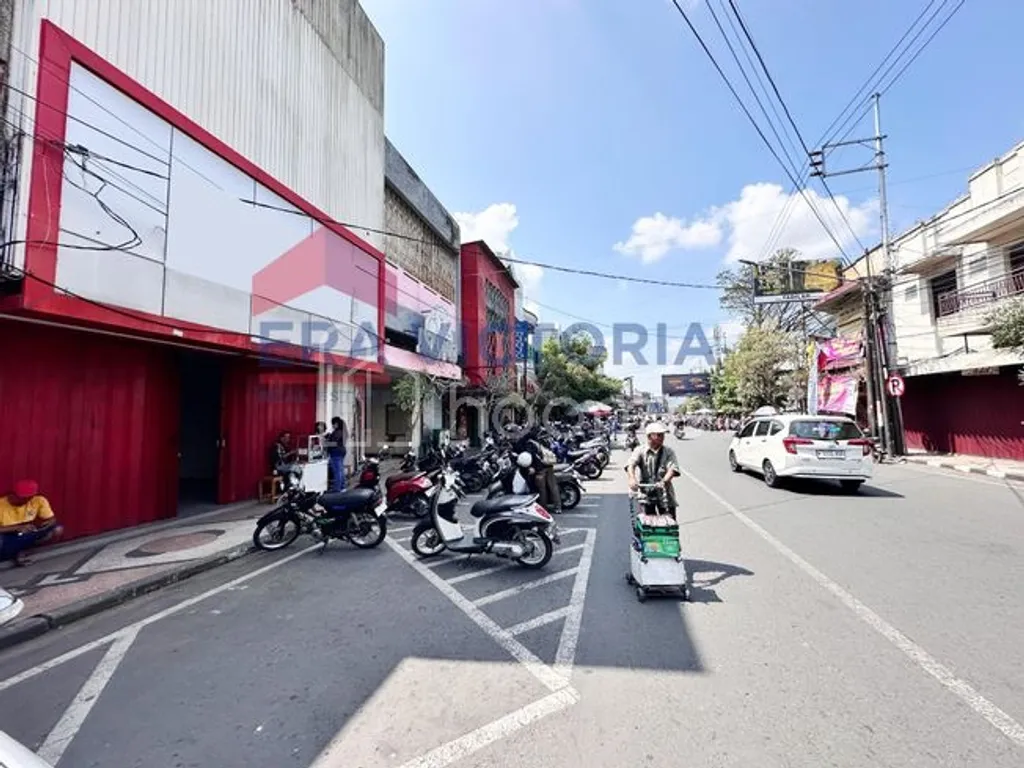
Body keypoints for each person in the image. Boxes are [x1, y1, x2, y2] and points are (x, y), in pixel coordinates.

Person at [0, 480, 64, 566]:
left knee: (57, 529)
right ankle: (11, 555)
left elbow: (52, 519)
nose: (23, 500)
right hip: (7, 534)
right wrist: (18, 528)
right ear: (12, 494)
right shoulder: (1, 504)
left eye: (27, 498)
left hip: (27, 532)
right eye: (20, 498)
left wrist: (46, 524)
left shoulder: (39, 501)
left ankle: (22, 552)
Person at [626, 422, 680, 516]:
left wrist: (664, 481)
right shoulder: (640, 450)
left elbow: (672, 469)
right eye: (658, 435)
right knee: (647, 525)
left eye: (662, 435)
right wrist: (632, 478)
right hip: (646, 494)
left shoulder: (668, 451)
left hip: (664, 494)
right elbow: (631, 464)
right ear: (649, 436)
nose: (662, 437)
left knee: (669, 525)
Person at [326, 417, 347, 491]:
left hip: (336, 452)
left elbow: (334, 443)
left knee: (337, 471)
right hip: (341, 451)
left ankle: (337, 488)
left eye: (333, 424)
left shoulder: (338, 432)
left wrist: (324, 443)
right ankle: (342, 487)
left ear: (337, 424)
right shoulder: (342, 431)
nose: (332, 426)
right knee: (340, 470)